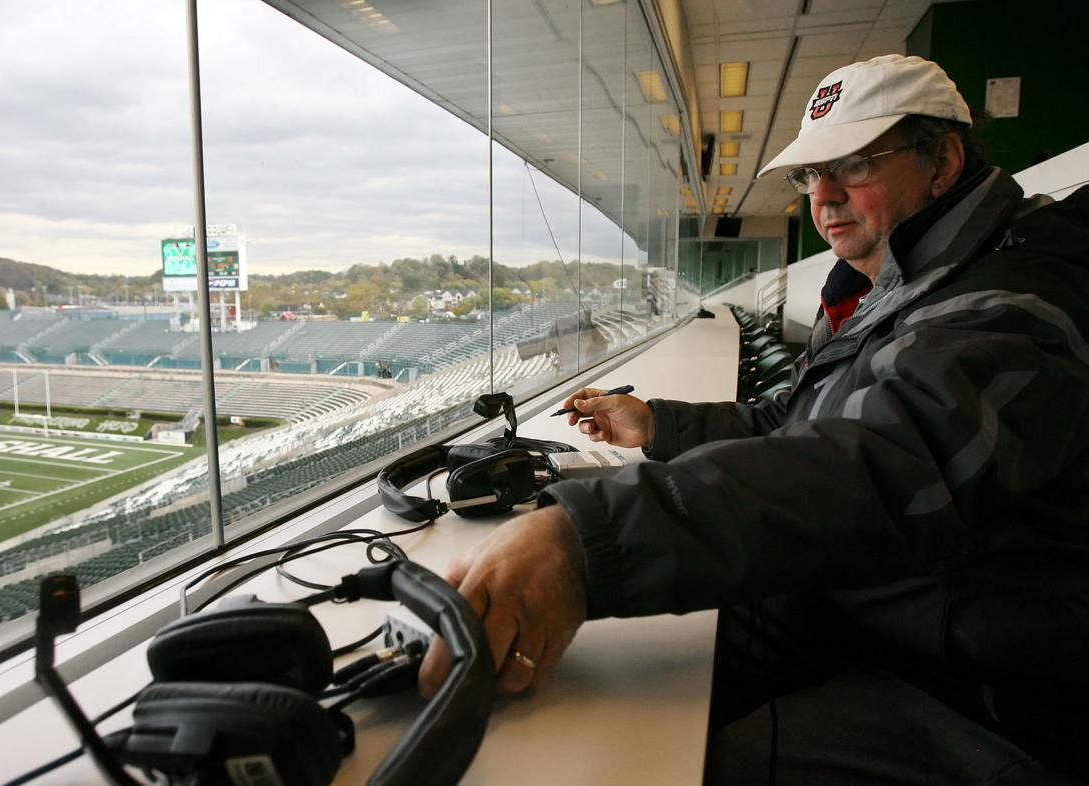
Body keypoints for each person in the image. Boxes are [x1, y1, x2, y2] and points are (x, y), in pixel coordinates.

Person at [419, 55, 1089, 783]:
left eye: (854, 165)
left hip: (969, 693)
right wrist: (659, 426)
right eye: (809, 176)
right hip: (863, 609)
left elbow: (874, 465)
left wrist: (586, 541)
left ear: (943, 161)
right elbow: (798, 416)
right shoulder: (904, 279)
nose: (822, 197)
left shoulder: (1016, 308)